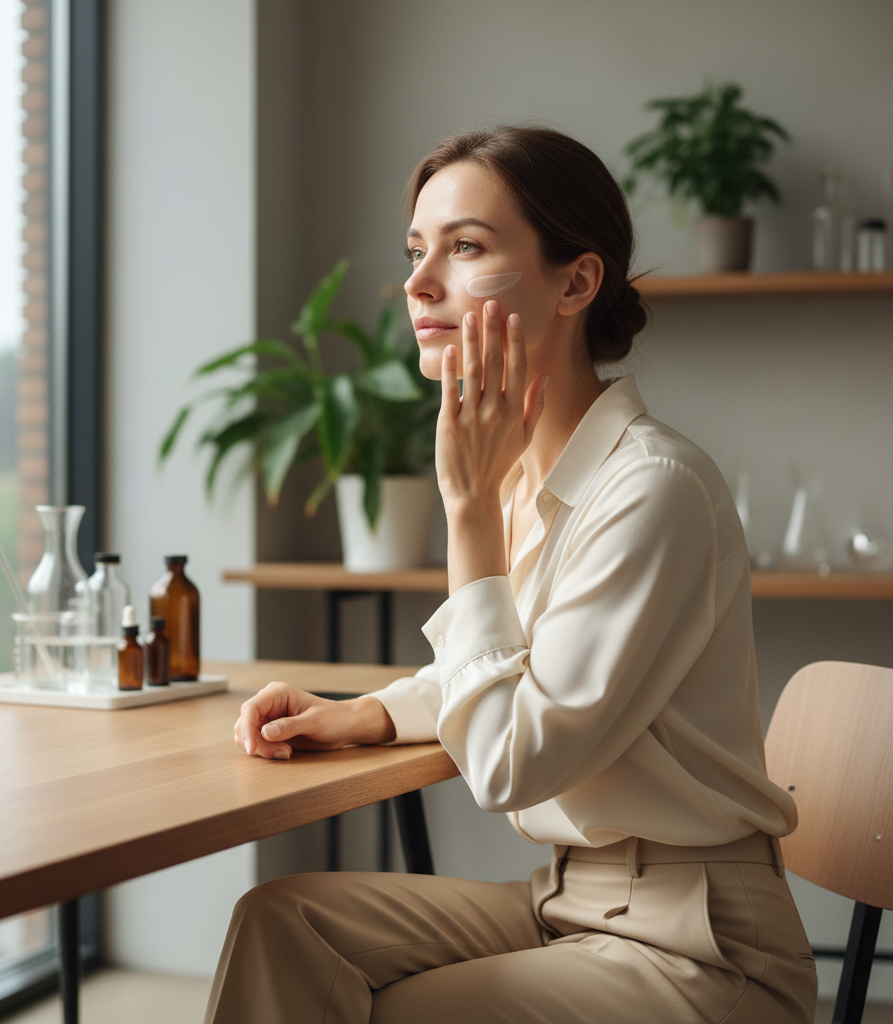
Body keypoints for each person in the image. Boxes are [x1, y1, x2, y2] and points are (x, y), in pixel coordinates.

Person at [205, 126, 817, 1024]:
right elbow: (524, 666)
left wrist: (466, 511)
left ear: (576, 281)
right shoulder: (533, 477)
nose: (418, 283)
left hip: (699, 945)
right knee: (283, 923)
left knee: (399, 1010)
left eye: (465, 247)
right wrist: (366, 714)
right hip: (568, 897)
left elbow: (509, 761)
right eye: (418, 252)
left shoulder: (651, 488)